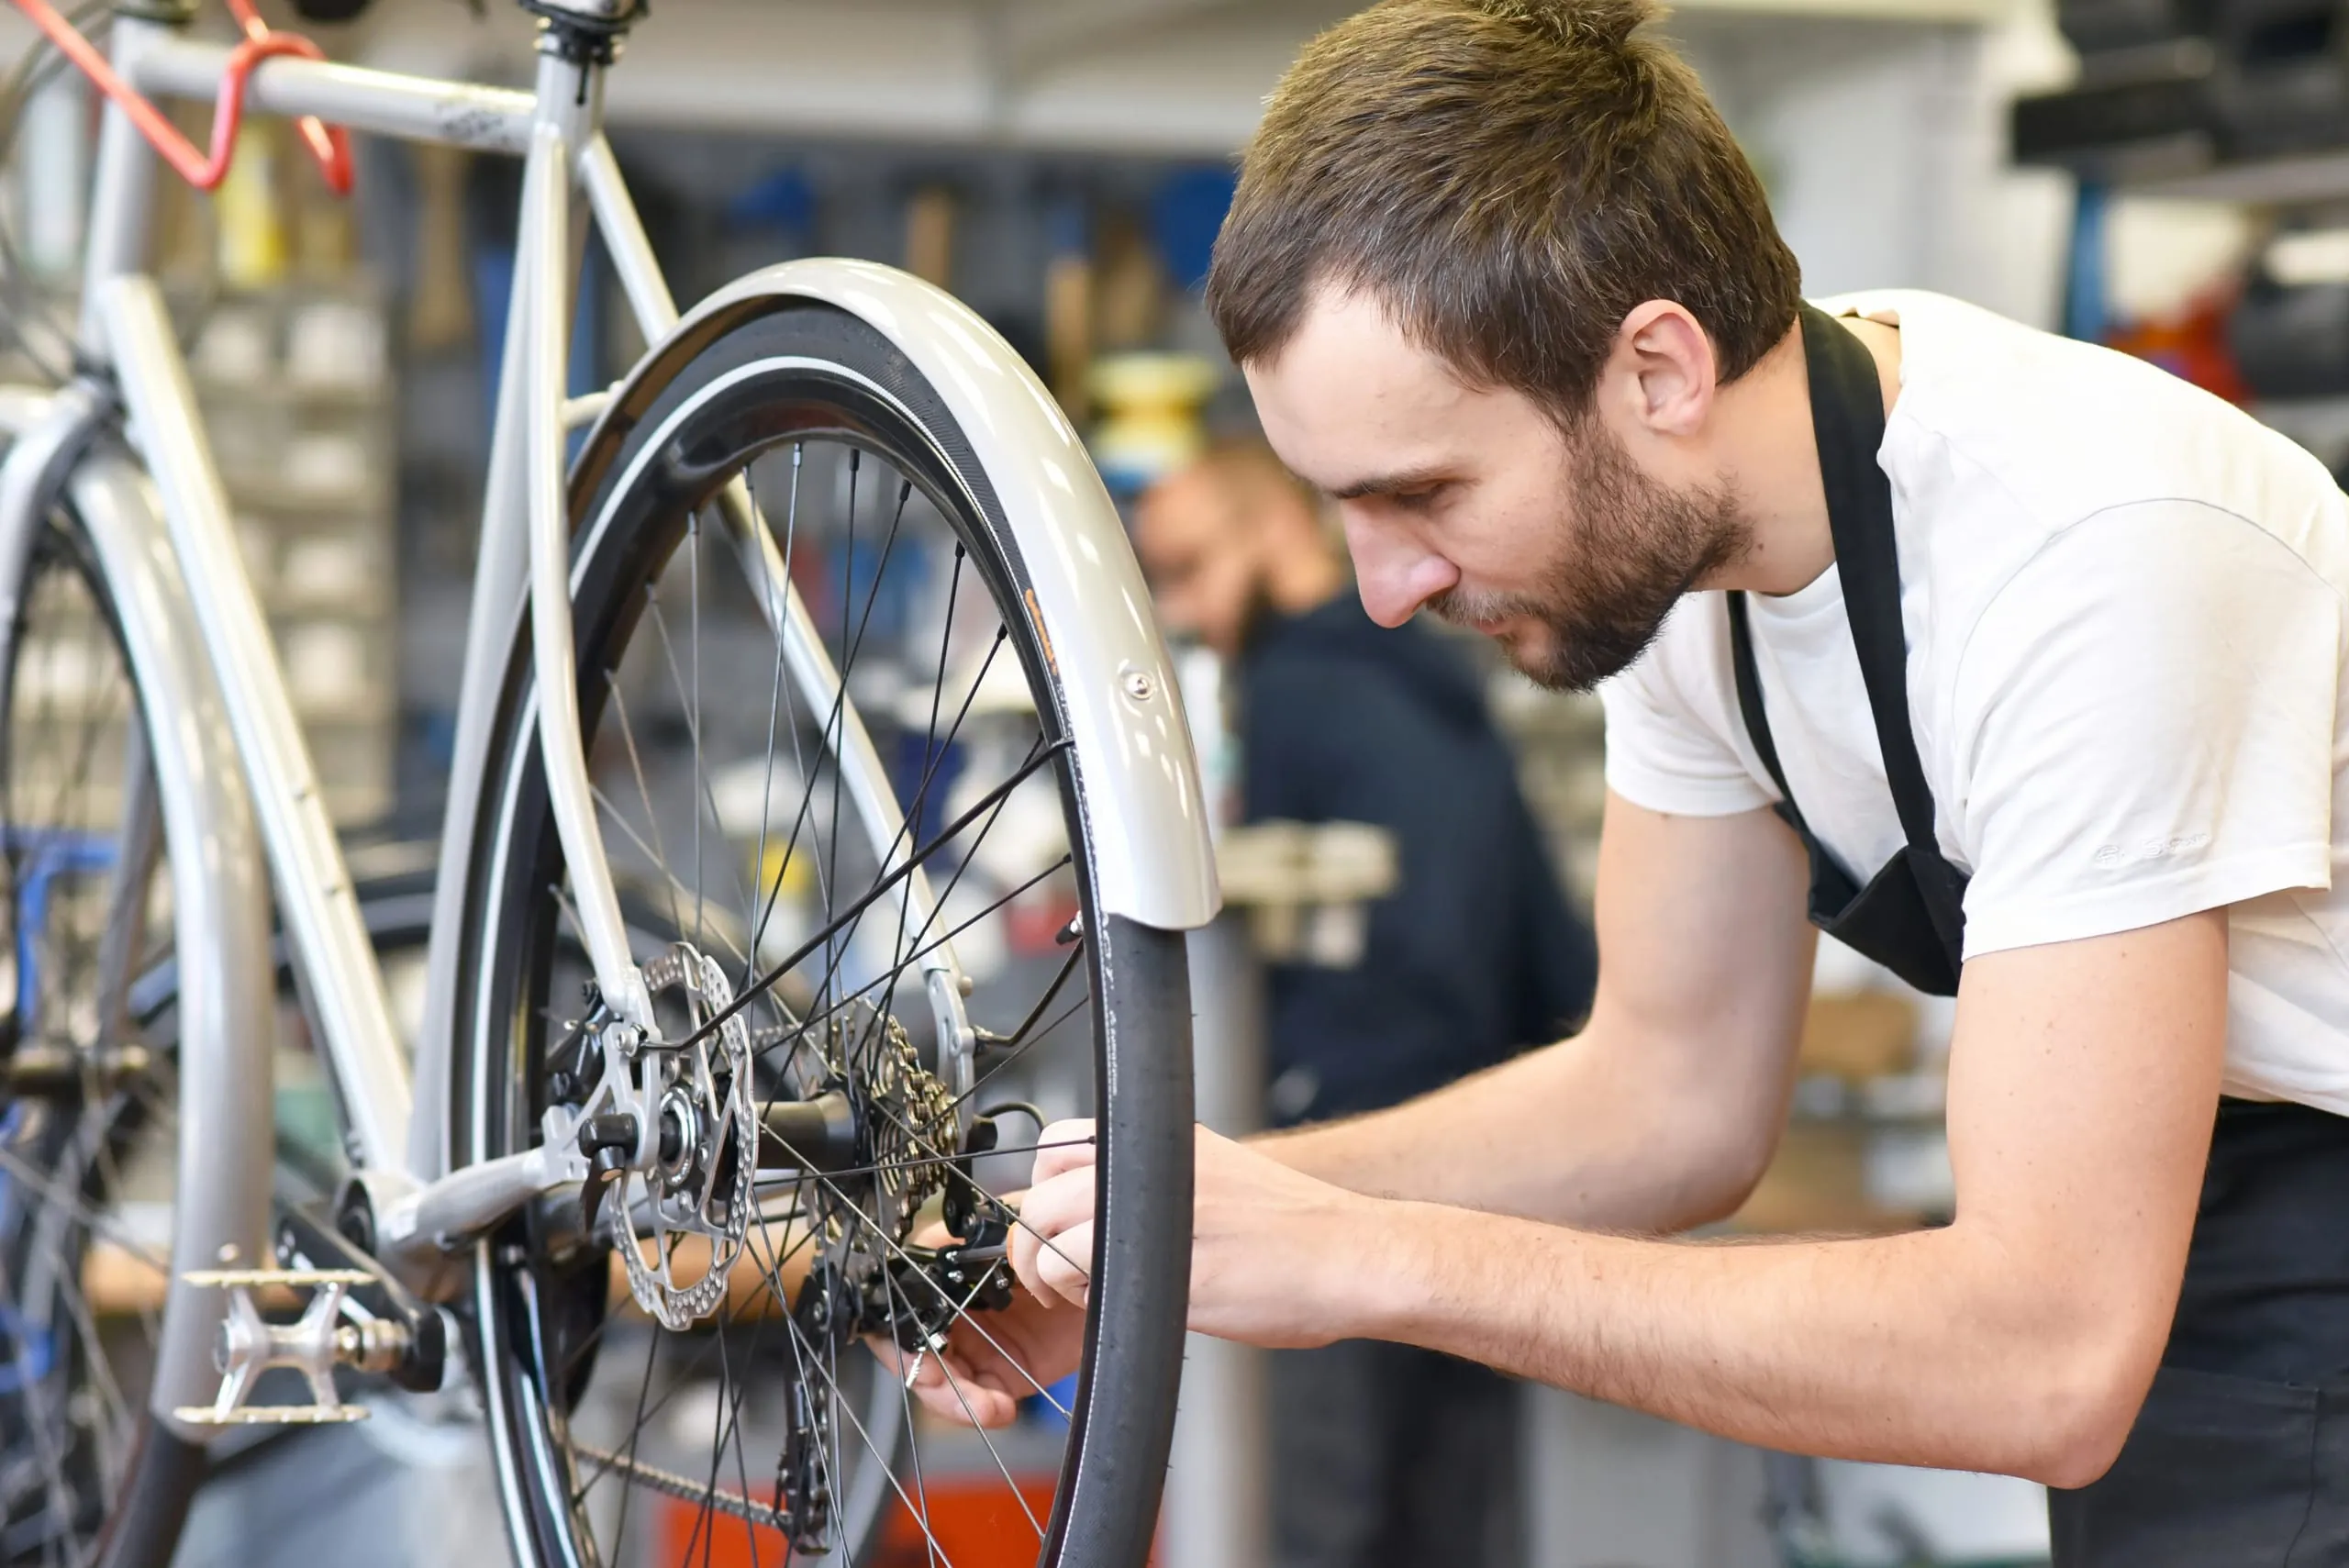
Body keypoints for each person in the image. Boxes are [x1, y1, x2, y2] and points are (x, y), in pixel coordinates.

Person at [907, 1, 2349, 1559]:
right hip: (2206, 1233)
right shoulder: (1686, 558)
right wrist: (1156, 1233)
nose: (1381, 590)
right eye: (1344, 510)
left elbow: (2039, 1353)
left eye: (1426, 491)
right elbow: (1666, 1095)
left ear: (1659, 368)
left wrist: (1375, 1262)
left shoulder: (2084, 558)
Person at [1133, 440, 1597, 1568]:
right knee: (1462, 1529)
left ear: (1277, 530)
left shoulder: (1290, 689)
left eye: (1190, 569)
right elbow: (1558, 956)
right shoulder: (1445, 690)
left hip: (1332, 1168)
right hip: (1487, 1172)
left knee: (1326, 1522)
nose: (1181, 611)